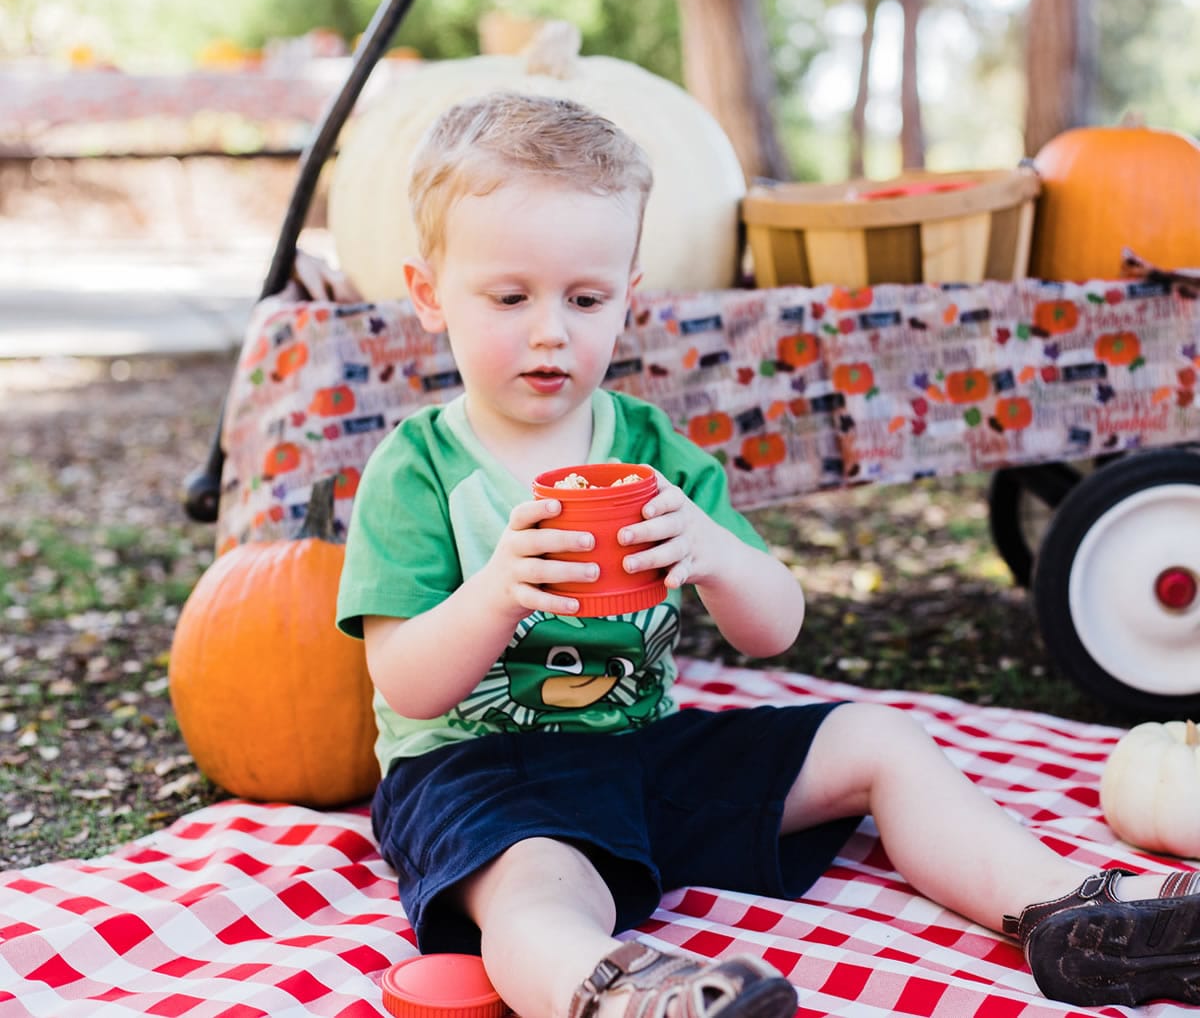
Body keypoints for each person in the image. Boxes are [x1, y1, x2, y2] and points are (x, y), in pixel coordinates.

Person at [335, 91, 1200, 1018]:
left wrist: (712, 552)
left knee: (879, 738)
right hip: (481, 772)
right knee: (540, 885)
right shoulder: (417, 468)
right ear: (429, 294)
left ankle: (1066, 911)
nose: (553, 329)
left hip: (643, 751)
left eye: (585, 299)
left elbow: (773, 631)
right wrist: (500, 592)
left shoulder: (649, 448)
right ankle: (620, 993)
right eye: (511, 297)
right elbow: (407, 684)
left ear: (628, 298)